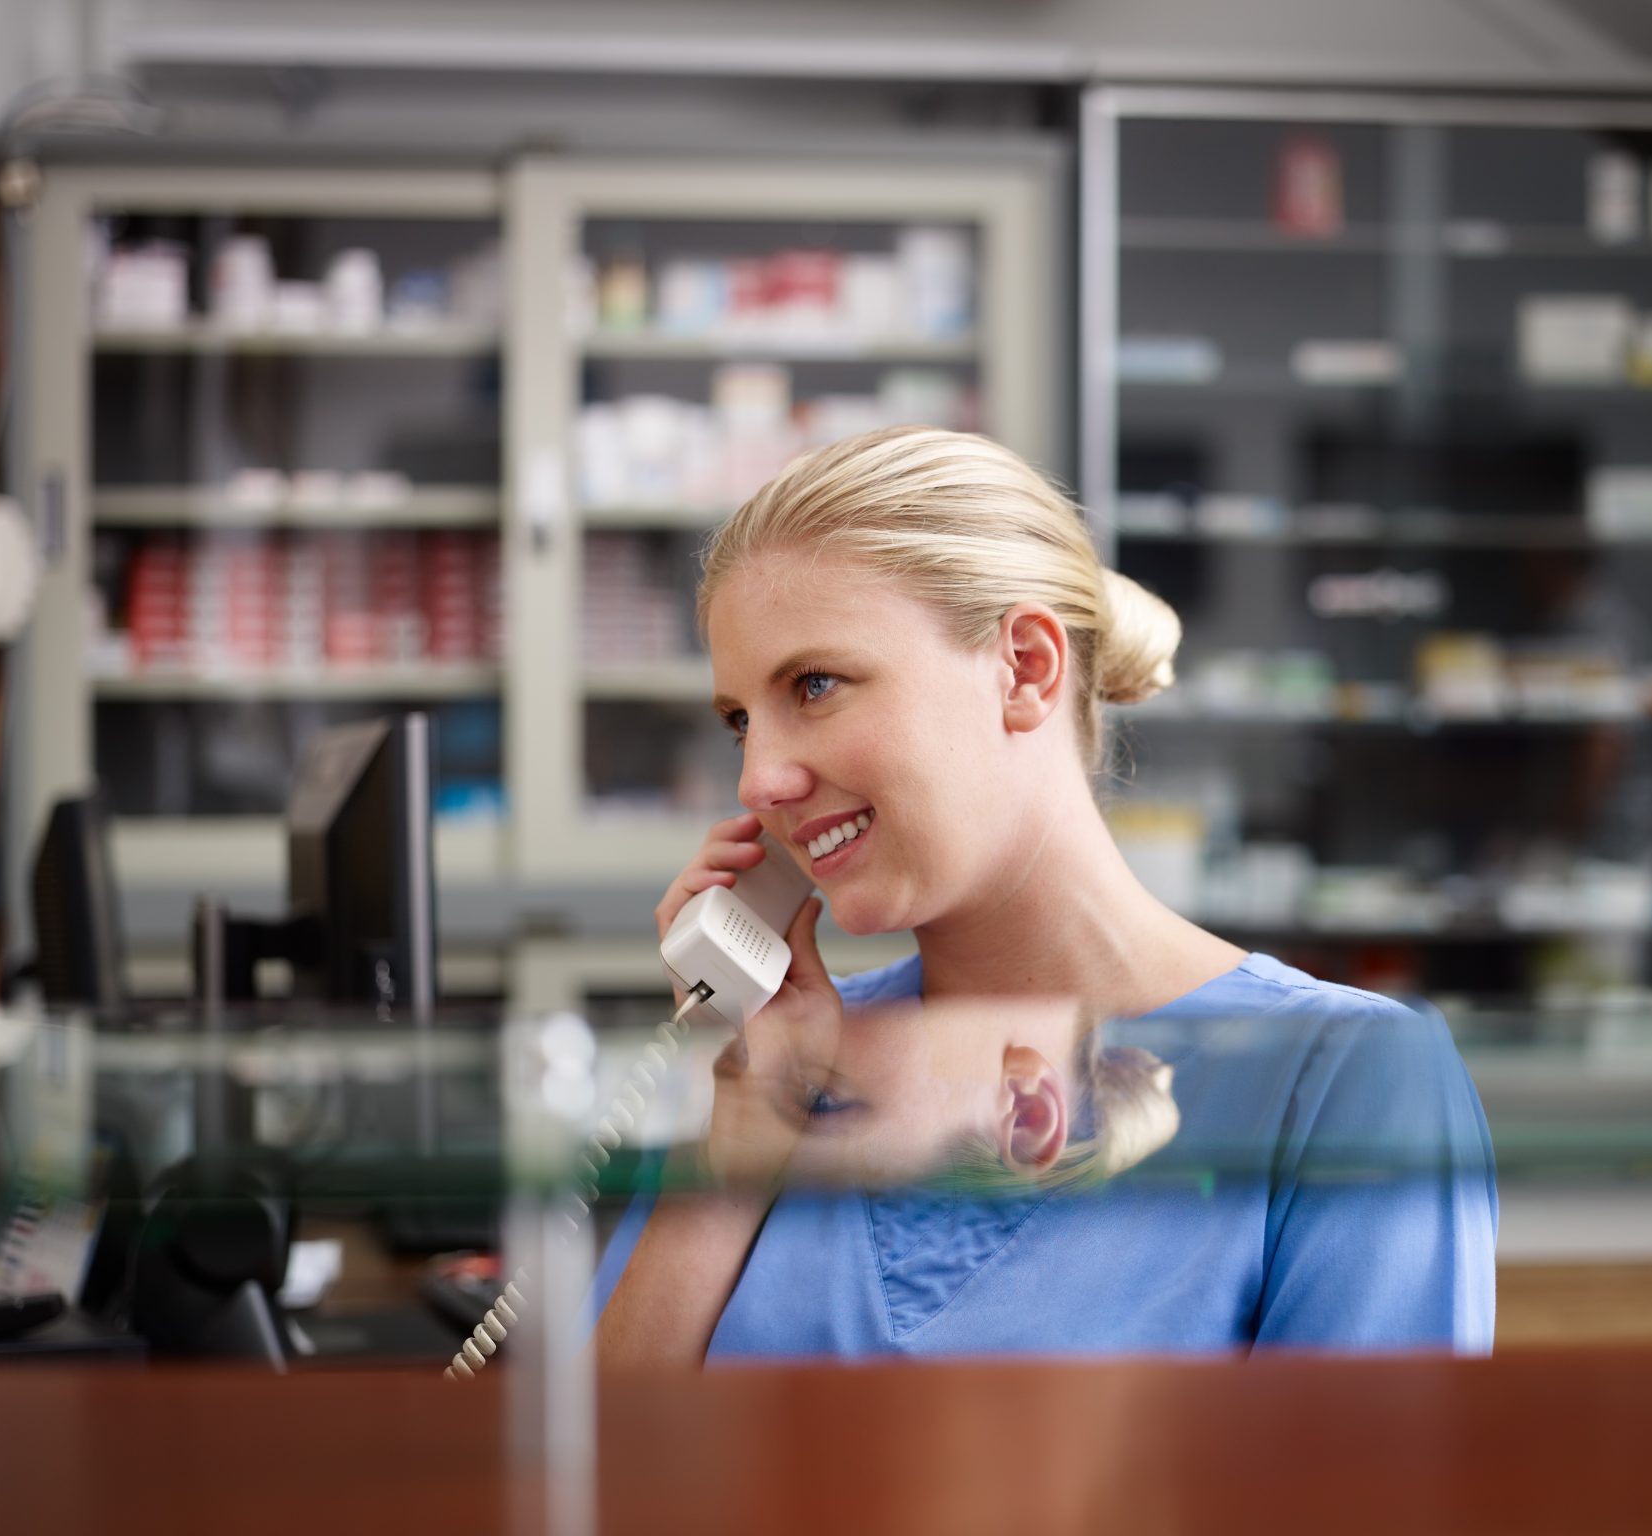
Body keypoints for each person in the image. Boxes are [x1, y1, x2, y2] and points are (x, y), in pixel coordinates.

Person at [594, 426, 1496, 1364]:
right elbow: (590, 1486)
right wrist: (751, 1110)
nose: (759, 780)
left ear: (1025, 667)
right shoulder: (785, 1061)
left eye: (814, 685)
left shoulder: (1344, 1077)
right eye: (741, 721)